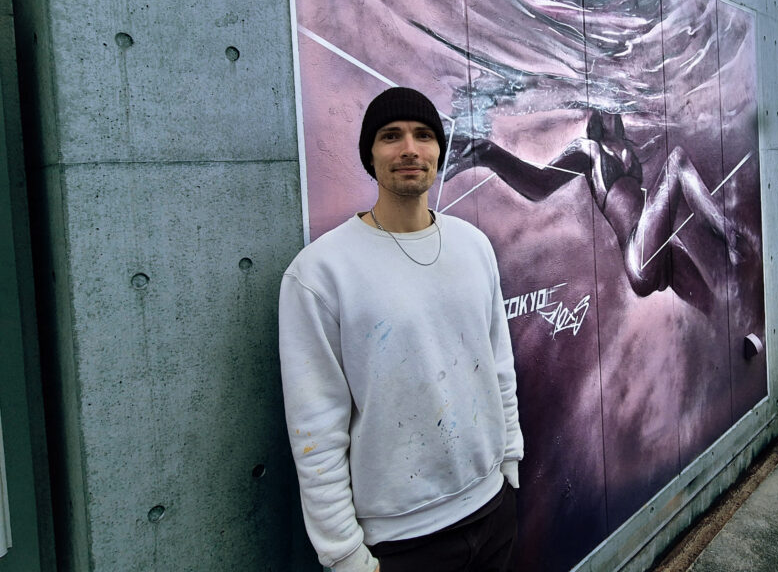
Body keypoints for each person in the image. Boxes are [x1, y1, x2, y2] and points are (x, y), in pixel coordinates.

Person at [280, 87, 524, 572]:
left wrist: (510, 461)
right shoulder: (320, 273)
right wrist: (344, 554)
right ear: (370, 155)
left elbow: (499, 366)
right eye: (391, 136)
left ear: (439, 151)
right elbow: (316, 427)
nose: (409, 148)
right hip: (400, 541)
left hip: (493, 507)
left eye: (424, 135)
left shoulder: (473, 245)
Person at [446, 109, 754, 315]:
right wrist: (488, 154)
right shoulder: (588, 150)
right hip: (639, 255)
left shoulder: (625, 145)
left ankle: (743, 334)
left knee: (717, 313)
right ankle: (731, 236)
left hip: (663, 252)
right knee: (678, 162)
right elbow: (539, 185)